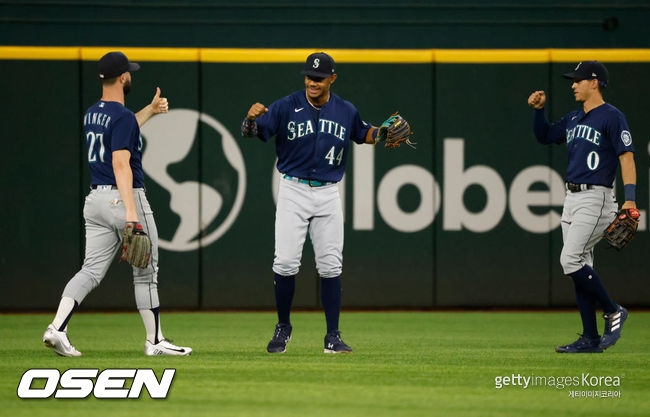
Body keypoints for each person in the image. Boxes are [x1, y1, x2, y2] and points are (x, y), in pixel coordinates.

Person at [242, 52, 399, 354]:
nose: (312, 82)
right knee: (285, 262)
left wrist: (382, 134)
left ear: (332, 78)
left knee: (330, 265)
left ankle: (333, 336)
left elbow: (363, 132)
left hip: (328, 192)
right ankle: (283, 326)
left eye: (318, 77)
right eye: (308, 76)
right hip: (293, 189)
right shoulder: (286, 106)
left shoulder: (345, 110)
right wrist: (249, 119)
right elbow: (255, 132)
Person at [42, 51, 192, 356]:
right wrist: (132, 214)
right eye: (130, 73)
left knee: (90, 271)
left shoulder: (93, 113)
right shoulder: (121, 116)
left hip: (95, 199)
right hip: (124, 197)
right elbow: (120, 161)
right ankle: (155, 341)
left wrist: (148, 110)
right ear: (123, 77)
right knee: (146, 272)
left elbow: (121, 132)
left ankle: (56, 328)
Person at [527, 60, 636, 353]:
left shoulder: (612, 117)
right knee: (580, 265)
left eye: (578, 80)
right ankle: (590, 338)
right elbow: (545, 136)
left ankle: (614, 311)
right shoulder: (574, 118)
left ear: (594, 82)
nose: (573, 84)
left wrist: (630, 198)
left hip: (597, 197)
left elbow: (626, 156)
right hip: (572, 198)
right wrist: (539, 111)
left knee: (570, 260)